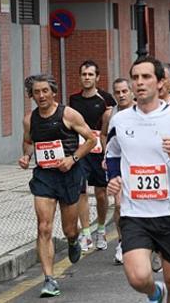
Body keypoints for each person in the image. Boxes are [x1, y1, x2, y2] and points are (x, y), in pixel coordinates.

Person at [105, 57, 170, 303]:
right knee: (138, 277)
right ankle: (154, 292)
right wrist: (114, 178)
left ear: (160, 83)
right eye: (135, 77)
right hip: (135, 211)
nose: (139, 83)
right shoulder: (120, 120)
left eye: (146, 77)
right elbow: (113, 153)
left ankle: (166, 290)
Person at [19, 74, 97, 297]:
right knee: (44, 226)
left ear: (53, 92)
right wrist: (26, 157)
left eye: (45, 91)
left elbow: (91, 139)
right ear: (31, 95)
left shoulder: (68, 114)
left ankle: (73, 241)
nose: (41, 96)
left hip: (69, 176)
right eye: (36, 92)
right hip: (44, 176)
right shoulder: (29, 120)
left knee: (69, 229)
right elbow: (27, 142)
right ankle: (49, 279)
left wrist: (72, 159)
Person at [69, 60, 117, 252]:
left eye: (90, 74)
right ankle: (86, 233)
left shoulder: (106, 99)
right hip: (81, 152)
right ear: (80, 77)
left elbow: (111, 126)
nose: (87, 78)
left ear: (97, 77)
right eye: (84, 74)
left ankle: (101, 229)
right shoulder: (73, 100)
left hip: (99, 152)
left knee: (101, 194)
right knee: (81, 192)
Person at [100, 77, 135, 264]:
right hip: (117, 163)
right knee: (120, 204)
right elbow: (104, 134)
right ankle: (122, 242)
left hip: (137, 164)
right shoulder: (110, 115)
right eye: (117, 92)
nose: (121, 95)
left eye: (124, 91)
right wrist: (106, 155)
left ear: (131, 92)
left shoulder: (140, 111)